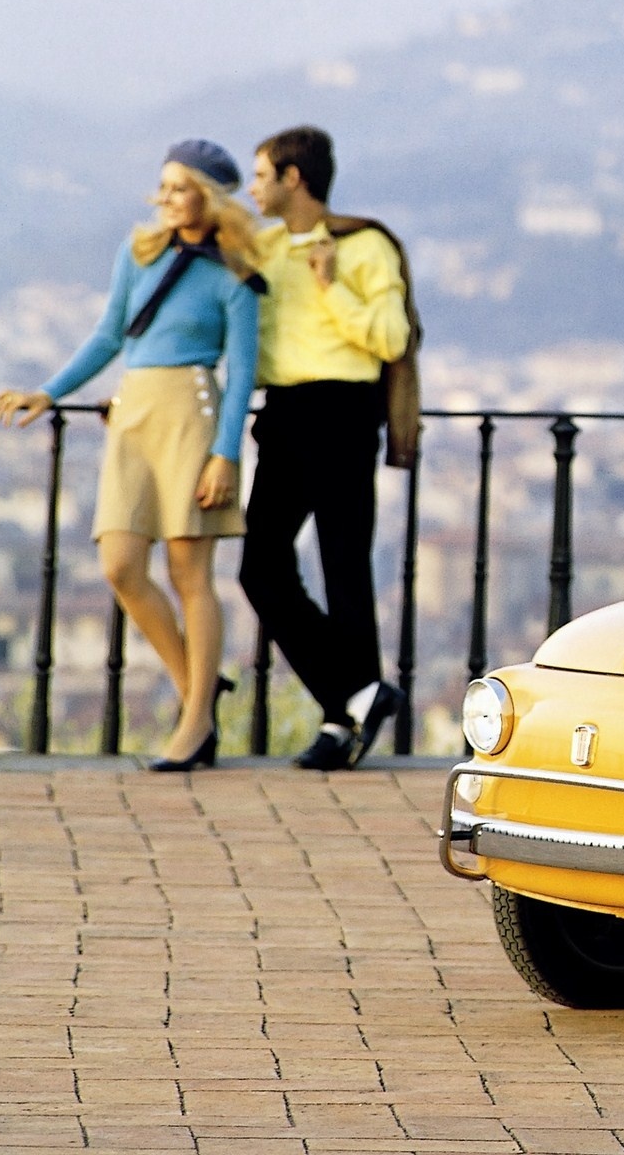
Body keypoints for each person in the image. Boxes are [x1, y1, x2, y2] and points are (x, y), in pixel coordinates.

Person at [0, 140, 261, 771]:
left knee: (189, 573)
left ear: (210, 198)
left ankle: (195, 723)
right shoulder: (137, 254)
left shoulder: (236, 276)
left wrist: (225, 456)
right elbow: (110, 334)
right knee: (119, 564)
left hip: (191, 415)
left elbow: (243, 375)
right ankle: (196, 687)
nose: (165, 197)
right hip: (134, 412)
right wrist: (49, 391)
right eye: (163, 186)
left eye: (179, 187)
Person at [240, 126, 408, 771]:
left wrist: (331, 284)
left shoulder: (364, 245)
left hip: (341, 410)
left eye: (261, 175)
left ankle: (343, 718)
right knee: (261, 566)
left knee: (343, 564)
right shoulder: (262, 248)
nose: (253, 188)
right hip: (282, 414)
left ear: (293, 178)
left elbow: (392, 338)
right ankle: (357, 692)